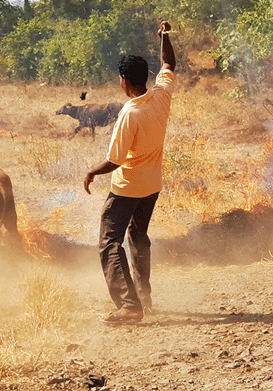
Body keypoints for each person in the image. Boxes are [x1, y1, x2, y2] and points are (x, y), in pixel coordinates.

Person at [83, 20, 176, 325]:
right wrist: (164, 36)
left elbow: (115, 160)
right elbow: (169, 62)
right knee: (138, 235)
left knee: (109, 241)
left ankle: (129, 304)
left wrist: (92, 172)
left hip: (127, 187)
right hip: (152, 186)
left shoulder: (130, 113)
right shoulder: (161, 95)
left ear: (124, 80)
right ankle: (144, 296)